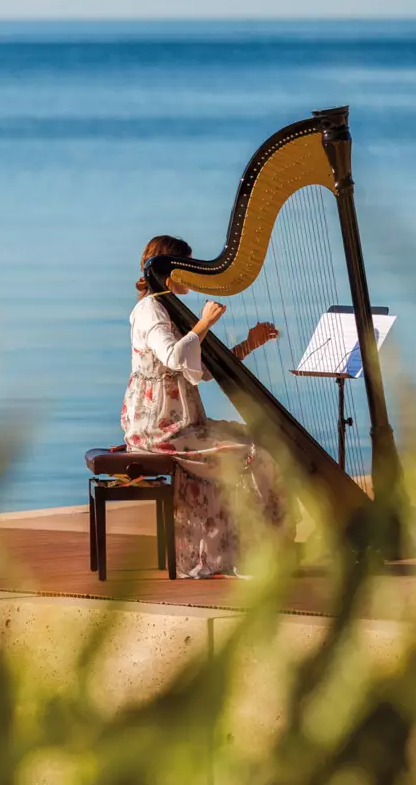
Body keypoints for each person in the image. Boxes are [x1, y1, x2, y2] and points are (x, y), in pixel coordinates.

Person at [121, 235, 296, 578]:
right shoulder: (149, 312)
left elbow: (203, 373)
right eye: (187, 268)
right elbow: (173, 358)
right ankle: (246, 556)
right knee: (251, 456)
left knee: (262, 439)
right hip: (159, 429)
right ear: (168, 272)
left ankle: (265, 547)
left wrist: (249, 344)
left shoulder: (173, 309)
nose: (194, 275)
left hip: (185, 422)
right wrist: (204, 323)